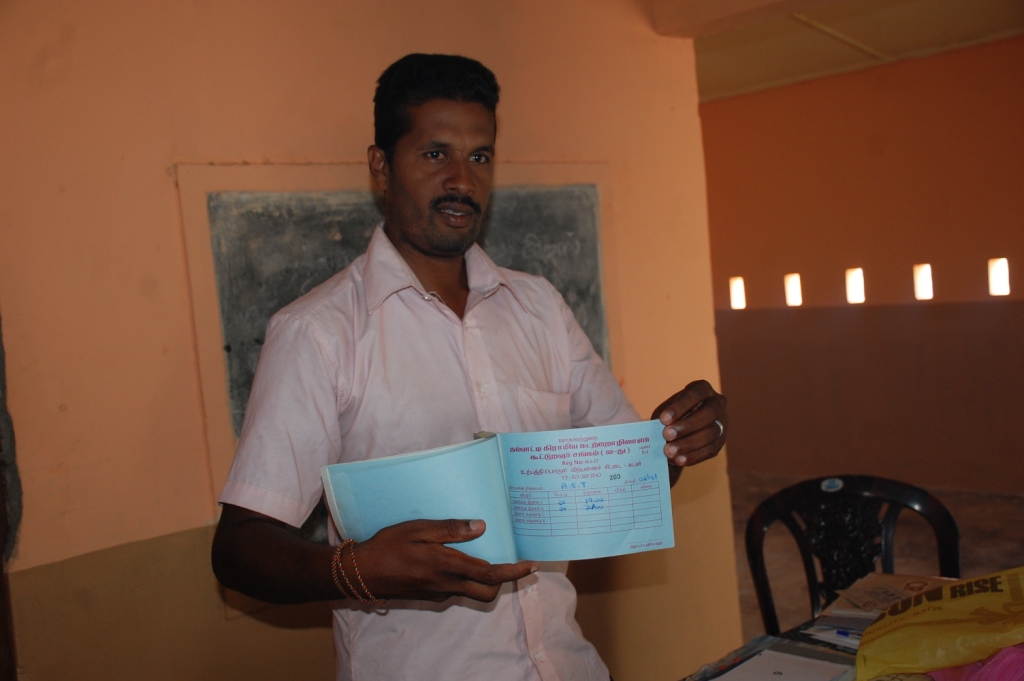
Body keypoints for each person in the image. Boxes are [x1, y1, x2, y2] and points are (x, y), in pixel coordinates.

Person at [211, 53, 729, 681]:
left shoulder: (539, 307)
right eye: (435, 154)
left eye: (480, 156)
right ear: (381, 166)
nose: (462, 179)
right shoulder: (318, 333)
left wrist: (677, 441)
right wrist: (358, 570)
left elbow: (625, 481)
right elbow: (238, 549)